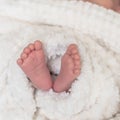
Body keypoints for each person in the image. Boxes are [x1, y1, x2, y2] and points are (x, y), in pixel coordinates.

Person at [17, 0, 120, 93]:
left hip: (89, 43)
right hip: (71, 30)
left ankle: (59, 82)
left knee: (86, 62)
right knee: (82, 59)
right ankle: (56, 82)